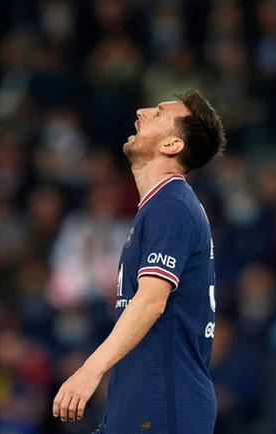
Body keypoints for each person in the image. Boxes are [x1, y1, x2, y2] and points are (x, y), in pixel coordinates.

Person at [52, 90, 226, 434]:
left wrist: (89, 371)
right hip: (138, 406)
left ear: (172, 145)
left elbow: (150, 301)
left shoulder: (172, 205)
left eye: (159, 114)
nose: (141, 113)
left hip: (164, 407)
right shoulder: (161, 206)